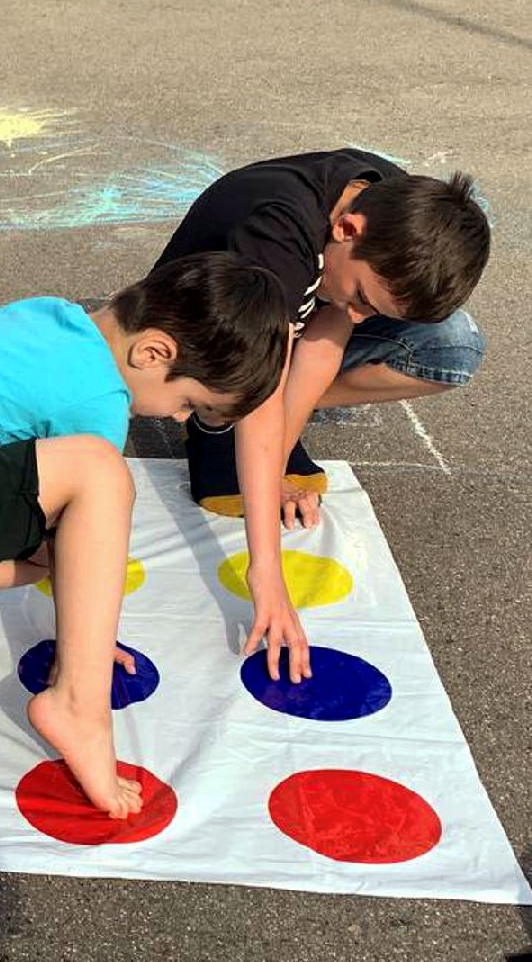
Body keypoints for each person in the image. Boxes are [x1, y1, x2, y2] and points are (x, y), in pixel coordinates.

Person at [0, 254, 288, 818]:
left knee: (54, 553)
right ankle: (78, 706)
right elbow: (89, 526)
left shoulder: (57, 316)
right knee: (100, 474)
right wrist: (85, 646)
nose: (181, 421)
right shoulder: (96, 401)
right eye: (190, 404)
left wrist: (86, 614)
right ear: (153, 353)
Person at [155, 151, 490, 685]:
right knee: (254, 404)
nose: (361, 316)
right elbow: (269, 374)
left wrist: (277, 461)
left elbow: (326, 337)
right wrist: (267, 573)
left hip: (289, 306)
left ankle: (240, 431)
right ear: (346, 227)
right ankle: (214, 418)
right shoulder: (278, 230)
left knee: (452, 344)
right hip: (195, 327)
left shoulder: (393, 207)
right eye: (363, 297)